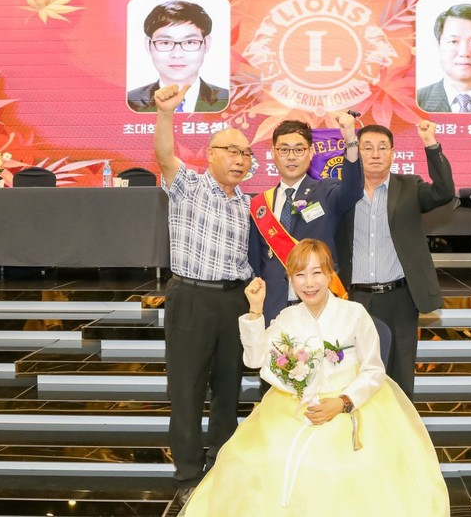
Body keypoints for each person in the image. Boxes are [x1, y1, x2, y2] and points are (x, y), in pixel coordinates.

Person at [181, 239, 450, 516]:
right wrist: (256, 310)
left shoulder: (354, 313)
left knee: (335, 466)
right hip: (293, 406)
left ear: (330, 274)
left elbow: (374, 370)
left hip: (349, 404)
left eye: (317, 272)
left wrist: (343, 402)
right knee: (254, 457)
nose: (309, 283)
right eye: (300, 275)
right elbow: (255, 359)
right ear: (290, 279)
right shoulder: (287, 317)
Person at [154, 82, 252, 503]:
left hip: (234, 301)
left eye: (246, 153)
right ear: (210, 154)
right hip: (191, 298)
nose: (240, 159)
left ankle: (222, 464)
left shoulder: (248, 204)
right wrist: (165, 113)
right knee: (187, 390)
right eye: (231, 150)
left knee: (229, 389)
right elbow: (164, 155)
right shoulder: (188, 186)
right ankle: (188, 475)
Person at [335, 120, 455, 400]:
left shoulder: (409, 186)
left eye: (382, 148)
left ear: (392, 153)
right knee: (355, 375)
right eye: (367, 147)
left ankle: (401, 427)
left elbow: (444, 191)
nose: (375, 154)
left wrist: (430, 143)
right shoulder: (342, 193)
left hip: (400, 297)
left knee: (400, 377)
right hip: (355, 298)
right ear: (356, 152)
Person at [248, 114, 363, 325]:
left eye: (299, 150)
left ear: (310, 152)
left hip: (321, 307)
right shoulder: (260, 205)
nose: (291, 157)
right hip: (274, 308)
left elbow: (353, 190)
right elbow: (256, 263)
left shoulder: (327, 191)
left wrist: (350, 141)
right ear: (273, 153)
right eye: (284, 150)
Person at [128, 1, 228, 113]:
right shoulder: (130, 102)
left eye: (190, 42)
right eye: (165, 42)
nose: (177, 54)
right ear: (148, 45)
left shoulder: (231, 101)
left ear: (206, 44)